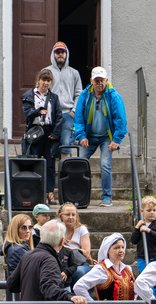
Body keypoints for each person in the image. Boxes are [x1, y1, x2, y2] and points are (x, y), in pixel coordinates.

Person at [73, 66, 127, 207]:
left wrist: (116, 140)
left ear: (106, 80)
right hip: (89, 136)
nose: (99, 83)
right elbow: (78, 118)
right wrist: (81, 136)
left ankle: (107, 197)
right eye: (96, 80)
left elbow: (121, 120)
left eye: (101, 80)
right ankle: (79, 196)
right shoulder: (85, 95)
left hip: (106, 137)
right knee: (79, 163)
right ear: (91, 81)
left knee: (104, 164)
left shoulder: (114, 96)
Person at [21, 68, 63, 204]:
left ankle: (50, 193)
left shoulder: (54, 97)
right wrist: (38, 111)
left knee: (50, 165)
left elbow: (59, 117)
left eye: (48, 80)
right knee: (35, 163)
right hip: (35, 133)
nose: (46, 83)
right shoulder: (29, 95)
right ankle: (36, 193)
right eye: (44, 80)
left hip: (49, 134)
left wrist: (56, 133)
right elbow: (27, 113)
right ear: (38, 80)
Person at [58, 202, 92, 304]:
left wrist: (67, 249)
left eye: (74, 214)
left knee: (78, 272)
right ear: (61, 216)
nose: (71, 217)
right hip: (63, 263)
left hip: (80, 264)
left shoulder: (81, 229)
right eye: (67, 214)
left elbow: (86, 253)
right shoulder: (57, 229)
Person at [46, 41, 82, 152]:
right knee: (49, 145)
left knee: (66, 146)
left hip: (67, 114)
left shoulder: (74, 73)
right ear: (53, 54)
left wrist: (74, 111)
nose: (60, 54)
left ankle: (65, 169)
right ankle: (51, 169)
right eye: (57, 52)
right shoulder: (46, 72)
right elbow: (40, 93)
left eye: (62, 52)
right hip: (50, 115)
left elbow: (79, 94)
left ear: (66, 54)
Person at [130, 195, 156, 273]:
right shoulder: (140, 224)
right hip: (142, 258)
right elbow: (133, 240)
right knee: (145, 277)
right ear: (142, 211)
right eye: (149, 210)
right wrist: (137, 228)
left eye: (154, 210)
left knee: (155, 279)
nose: (152, 213)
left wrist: (148, 230)